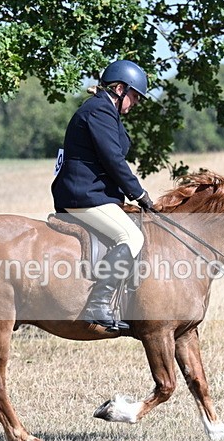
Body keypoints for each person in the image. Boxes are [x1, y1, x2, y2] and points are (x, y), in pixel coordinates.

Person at [51, 59, 155, 331]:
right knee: (131, 236)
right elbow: (113, 159)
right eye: (134, 97)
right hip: (83, 196)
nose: (136, 104)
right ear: (120, 89)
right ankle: (98, 302)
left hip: (93, 194)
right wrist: (139, 193)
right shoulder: (99, 111)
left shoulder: (105, 111)